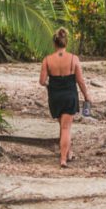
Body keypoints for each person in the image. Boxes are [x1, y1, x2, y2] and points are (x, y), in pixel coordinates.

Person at [39, 28, 91, 168]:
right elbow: (80, 81)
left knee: (62, 126)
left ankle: (69, 152)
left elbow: (42, 81)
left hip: (55, 97)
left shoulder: (47, 60)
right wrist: (87, 96)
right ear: (65, 43)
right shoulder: (74, 59)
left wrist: (52, 84)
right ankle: (63, 159)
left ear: (54, 44)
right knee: (66, 128)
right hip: (69, 96)